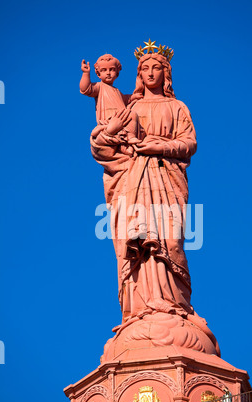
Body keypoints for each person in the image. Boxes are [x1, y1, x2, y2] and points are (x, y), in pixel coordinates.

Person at [90, 44, 198, 323]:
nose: (151, 73)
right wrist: (110, 133)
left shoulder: (177, 107)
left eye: (157, 67)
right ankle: (141, 308)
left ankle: (175, 302)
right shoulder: (128, 106)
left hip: (167, 179)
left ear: (166, 73)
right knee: (137, 241)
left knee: (169, 240)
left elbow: (189, 143)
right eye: (145, 68)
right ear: (139, 74)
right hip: (133, 179)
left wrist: (157, 147)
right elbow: (102, 147)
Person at [80, 54, 140, 147]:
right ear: (98, 73)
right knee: (131, 115)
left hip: (121, 118)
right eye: (104, 70)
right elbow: (85, 89)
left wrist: (135, 96)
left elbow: (126, 99)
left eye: (111, 69)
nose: (108, 73)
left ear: (117, 73)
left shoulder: (117, 91)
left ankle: (130, 136)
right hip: (109, 119)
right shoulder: (99, 87)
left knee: (133, 115)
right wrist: (86, 73)